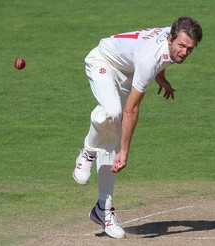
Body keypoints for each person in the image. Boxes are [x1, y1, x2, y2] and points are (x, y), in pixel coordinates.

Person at [72, 17, 203, 238]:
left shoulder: (172, 45)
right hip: (103, 61)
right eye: (181, 46)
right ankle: (87, 150)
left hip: (128, 72)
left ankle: (103, 209)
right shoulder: (149, 58)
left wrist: (160, 77)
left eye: (190, 49)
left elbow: (159, 60)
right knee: (112, 113)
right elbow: (131, 110)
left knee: (112, 135)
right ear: (170, 38)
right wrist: (124, 152)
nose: (184, 52)